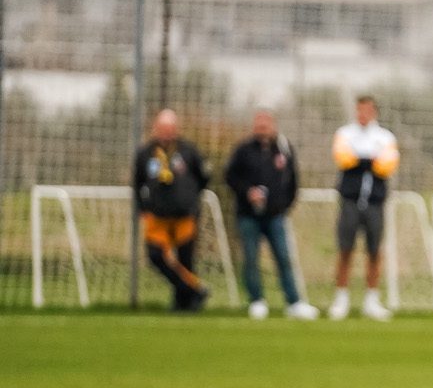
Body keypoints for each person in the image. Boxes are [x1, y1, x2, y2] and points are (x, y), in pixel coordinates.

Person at [224, 107, 318, 321]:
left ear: (273, 125)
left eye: (266, 123)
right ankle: (256, 301)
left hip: (276, 215)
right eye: (259, 123)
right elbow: (230, 177)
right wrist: (248, 192)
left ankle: (294, 302)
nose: (262, 127)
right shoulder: (243, 149)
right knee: (251, 258)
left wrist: (284, 205)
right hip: (248, 215)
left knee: (284, 258)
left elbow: (293, 180)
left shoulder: (283, 148)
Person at [131, 108, 211, 313]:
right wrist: (142, 207)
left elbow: (203, 178)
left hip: (184, 215)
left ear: (176, 129)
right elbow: (137, 183)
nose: (166, 133)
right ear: (155, 128)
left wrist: (191, 199)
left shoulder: (188, 151)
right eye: (162, 128)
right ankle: (195, 289)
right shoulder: (146, 153)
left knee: (185, 259)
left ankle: (184, 303)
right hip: (157, 216)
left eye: (170, 128)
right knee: (156, 256)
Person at [330, 94, 399, 321]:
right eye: (359, 110)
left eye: (367, 110)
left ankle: (372, 301)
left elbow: (386, 165)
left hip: (375, 203)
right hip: (350, 201)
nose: (363, 114)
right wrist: (369, 160)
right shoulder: (344, 133)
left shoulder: (385, 137)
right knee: (345, 250)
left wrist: (361, 160)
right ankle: (341, 299)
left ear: (374, 112)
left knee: (374, 252)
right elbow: (343, 159)